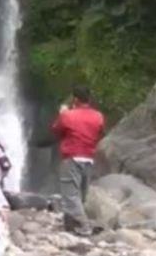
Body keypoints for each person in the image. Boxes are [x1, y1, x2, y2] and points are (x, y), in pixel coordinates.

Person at [50, 85, 105, 236]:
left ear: (75, 99)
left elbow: (56, 130)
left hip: (72, 157)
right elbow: (99, 132)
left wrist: (62, 113)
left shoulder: (68, 115)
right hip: (89, 158)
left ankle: (85, 226)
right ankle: (70, 224)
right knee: (81, 193)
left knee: (70, 194)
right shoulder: (98, 116)